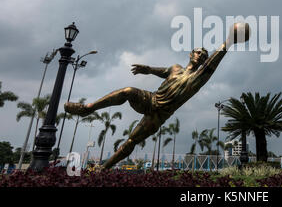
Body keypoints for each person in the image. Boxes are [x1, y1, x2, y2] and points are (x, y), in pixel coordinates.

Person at [65, 23, 250, 169]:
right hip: (151, 99)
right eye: (198, 52)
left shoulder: (197, 79)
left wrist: (229, 41)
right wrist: (148, 70)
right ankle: (87, 109)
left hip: (159, 115)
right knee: (128, 91)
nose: (201, 55)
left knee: (131, 141)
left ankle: (104, 168)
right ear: (190, 54)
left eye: (204, 55)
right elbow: (163, 71)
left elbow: (213, 62)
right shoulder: (176, 68)